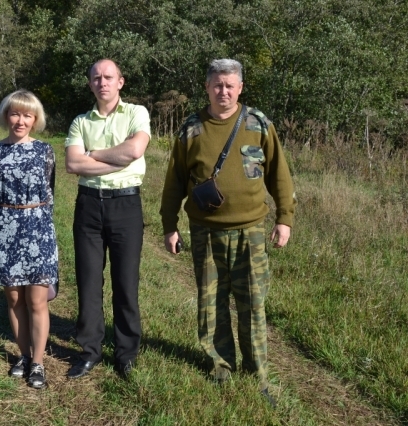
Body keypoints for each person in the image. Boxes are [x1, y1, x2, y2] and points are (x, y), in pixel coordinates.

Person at [159, 59, 296, 405]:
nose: (223, 91)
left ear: (240, 88)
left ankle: (258, 373)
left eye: (230, 85)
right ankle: (221, 367)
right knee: (211, 304)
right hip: (205, 232)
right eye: (217, 85)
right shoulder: (191, 129)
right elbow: (174, 181)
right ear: (207, 87)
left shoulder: (258, 124)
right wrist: (169, 225)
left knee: (253, 303)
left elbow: (279, 174)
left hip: (251, 231)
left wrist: (284, 218)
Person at [65, 59, 151, 379]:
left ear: (120, 82)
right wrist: (114, 155)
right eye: (96, 78)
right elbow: (73, 165)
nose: (103, 82)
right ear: (90, 84)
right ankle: (90, 350)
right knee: (88, 282)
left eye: (108, 77)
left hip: (125, 204)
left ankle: (126, 353)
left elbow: (134, 151)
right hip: (88, 206)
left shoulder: (136, 113)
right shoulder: (79, 122)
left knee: (126, 283)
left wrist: (93, 156)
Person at [0, 90, 58, 390]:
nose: (20, 120)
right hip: (4, 226)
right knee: (13, 297)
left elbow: (51, 192)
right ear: (5, 116)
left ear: (35, 119)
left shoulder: (45, 151)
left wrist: (38, 221)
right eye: (15, 114)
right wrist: (2, 222)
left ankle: (38, 362)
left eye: (27, 115)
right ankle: (23, 356)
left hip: (38, 226)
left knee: (37, 299)